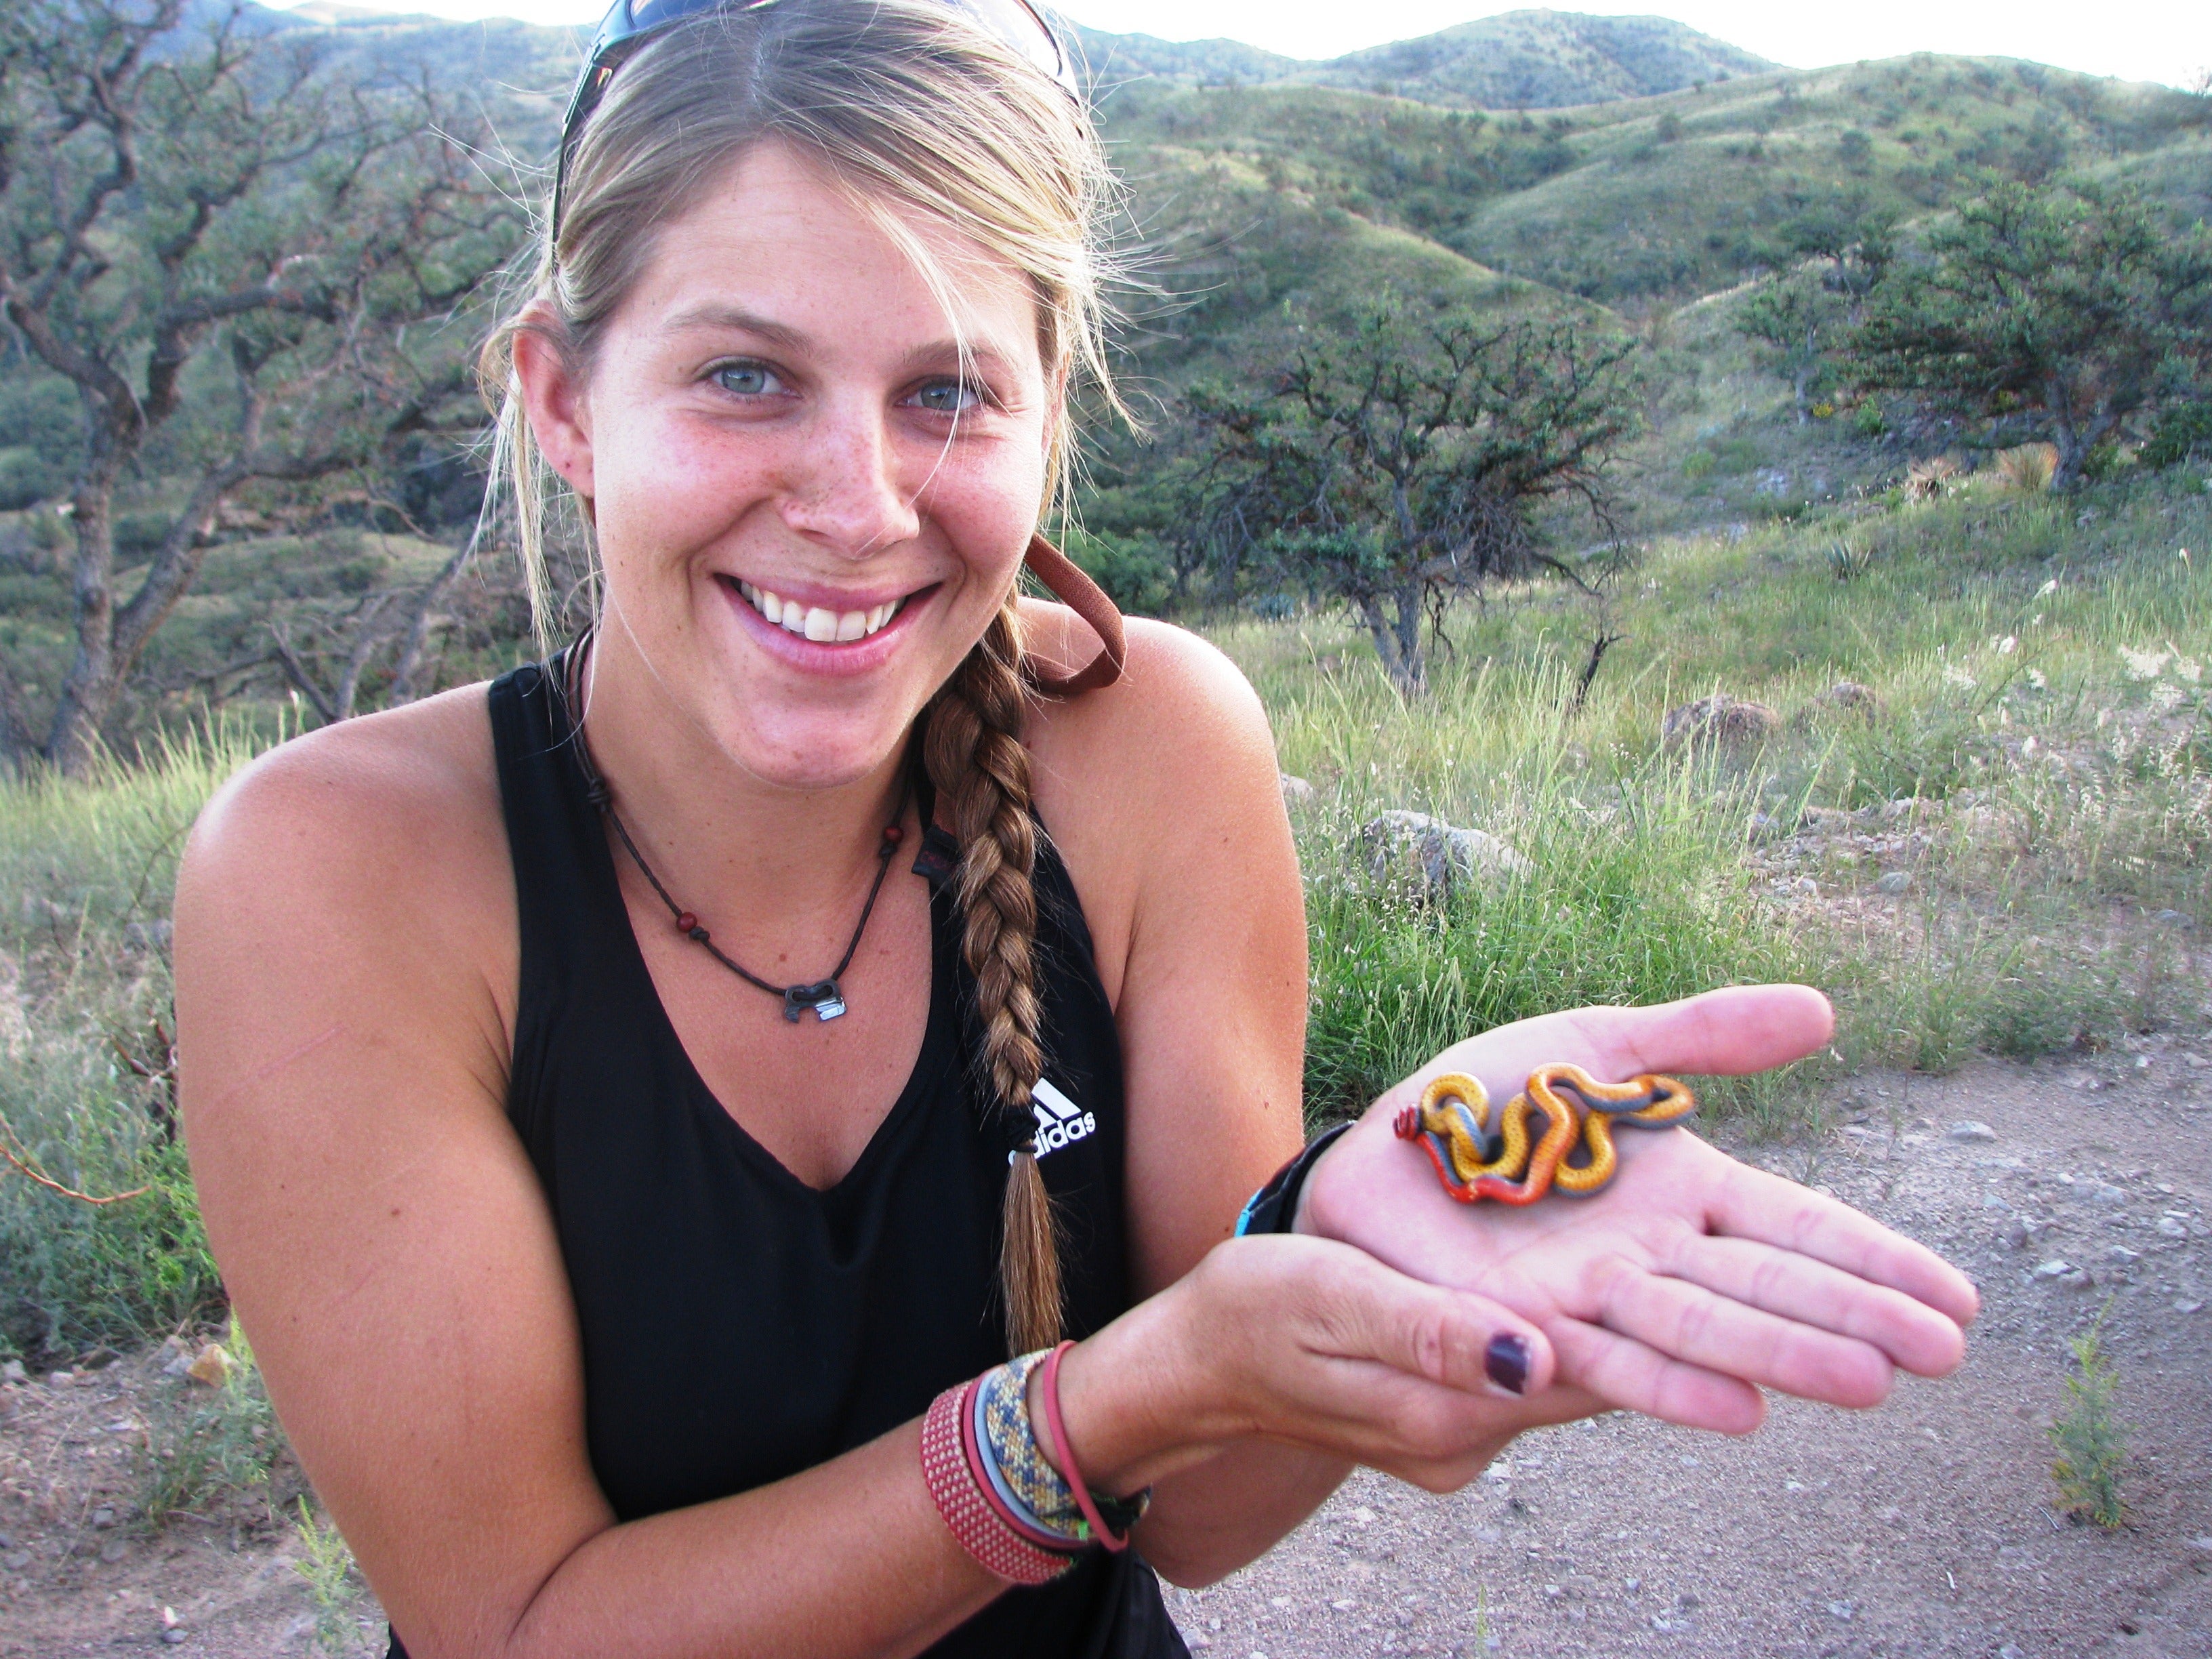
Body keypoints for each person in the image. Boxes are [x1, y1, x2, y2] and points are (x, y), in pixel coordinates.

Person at [171, 3, 1978, 1656]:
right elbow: (522, 1628)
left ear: (1050, 417)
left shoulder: (1150, 750)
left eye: (946, 393)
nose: (858, 506)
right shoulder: (344, 874)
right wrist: (1094, 1411)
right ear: (565, 401)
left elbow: (1199, 1517)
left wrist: (1360, 1265)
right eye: (745, 377)